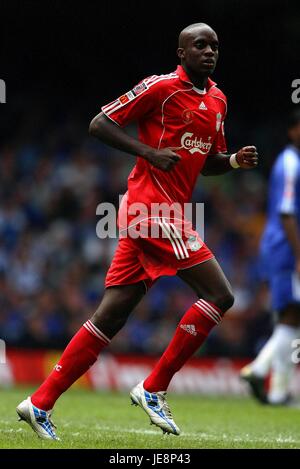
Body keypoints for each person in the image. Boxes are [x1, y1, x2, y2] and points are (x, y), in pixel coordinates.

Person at [17, 22, 258, 439]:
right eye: (199, 45)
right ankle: (153, 387)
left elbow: (209, 160)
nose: (209, 51)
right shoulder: (160, 88)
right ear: (181, 53)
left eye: (215, 46)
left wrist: (233, 160)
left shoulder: (218, 100)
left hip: (163, 213)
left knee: (110, 317)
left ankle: (38, 403)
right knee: (219, 294)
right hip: (151, 209)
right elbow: (99, 123)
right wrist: (147, 151)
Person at [241, 109, 300, 405]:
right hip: (287, 248)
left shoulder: (290, 162)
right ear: (292, 131)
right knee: (292, 314)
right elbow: (287, 212)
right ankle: (262, 372)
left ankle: (274, 386)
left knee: (291, 317)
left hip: (284, 247)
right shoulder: (291, 163)